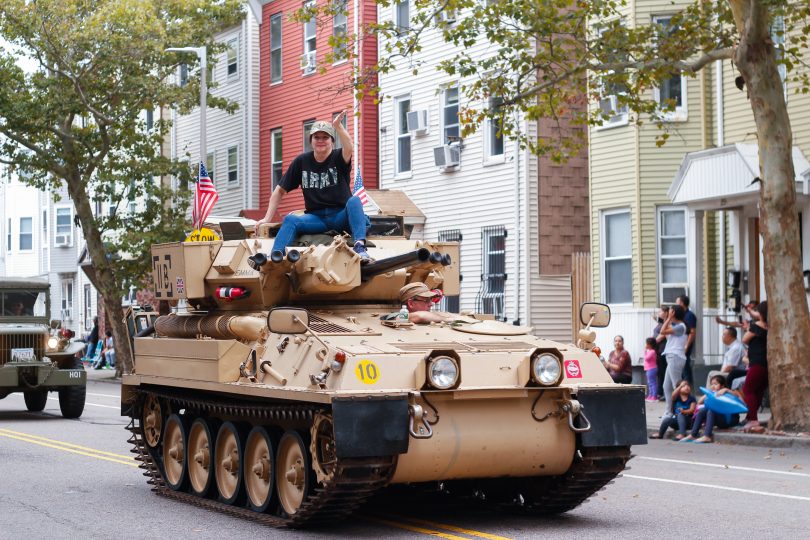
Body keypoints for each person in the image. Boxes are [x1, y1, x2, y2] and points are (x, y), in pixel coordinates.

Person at [254, 111, 372, 261]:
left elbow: (348, 147)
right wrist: (266, 218)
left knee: (354, 201)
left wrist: (338, 126)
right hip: (316, 218)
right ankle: (276, 256)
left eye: (325, 137)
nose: (321, 140)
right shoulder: (301, 162)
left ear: (332, 141)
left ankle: (360, 246)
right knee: (291, 219)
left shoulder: (338, 157)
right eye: (317, 137)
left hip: (340, 215)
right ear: (311, 141)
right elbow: (279, 191)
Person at [681, 375, 742, 443]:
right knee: (702, 411)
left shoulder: (727, 393)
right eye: (711, 384)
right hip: (721, 420)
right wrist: (708, 393)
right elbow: (699, 402)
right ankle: (693, 434)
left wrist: (726, 390)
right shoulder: (713, 394)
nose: (713, 386)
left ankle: (707, 436)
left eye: (715, 384)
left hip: (730, 420)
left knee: (711, 410)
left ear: (722, 386)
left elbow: (737, 396)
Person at [741, 301, 768, 433]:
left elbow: (745, 339)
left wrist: (748, 329)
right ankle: (749, 417)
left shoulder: (757, 325)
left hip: (756, 363)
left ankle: (753, 419)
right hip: (766, 365)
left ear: (761, 313)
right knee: (758, 392)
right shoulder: (770, 327)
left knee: (748, 390)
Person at [659, 304, 688, 414]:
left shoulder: (681, 327)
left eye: (671, 311)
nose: (668, 313)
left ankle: (681, 410)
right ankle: (668, 411)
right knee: (666, 386)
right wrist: (668, 319)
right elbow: (665, 331)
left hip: (675, 357)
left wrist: (669, 318)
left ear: (674, 313)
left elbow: (662, 331)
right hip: (672, 356)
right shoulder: (677, 326)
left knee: (677, 385)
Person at [380, 283, 452, 324]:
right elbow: (420, 316)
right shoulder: (394, 316)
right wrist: (446, 319)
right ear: (411, 303)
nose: (431, 304)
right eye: (426, 300)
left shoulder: (432, 316)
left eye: (430, 300)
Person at [676, 295, 697, 386]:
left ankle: (689, 389)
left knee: (685, 367)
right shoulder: (681, 315)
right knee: (681, 368)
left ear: (681, 303)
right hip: (679, 345)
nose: (676, 304)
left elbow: (692, 332)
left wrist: (686, 346)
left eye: (677, 302)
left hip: (685, 346)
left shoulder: (689, 315)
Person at [652, 306, 669, 401]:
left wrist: (651, 343)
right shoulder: (661, 323)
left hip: (663, 351)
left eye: (661, 311)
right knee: (659, 373)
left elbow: (660, 337)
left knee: (663, 372)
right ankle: (659, 392)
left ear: (666, 313)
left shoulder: (667, 325)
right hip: (657, 352)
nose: (659, 313)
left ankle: (662, 393)